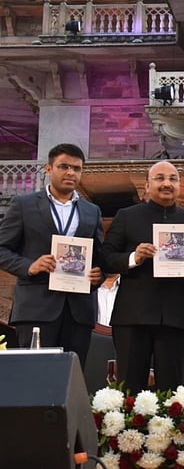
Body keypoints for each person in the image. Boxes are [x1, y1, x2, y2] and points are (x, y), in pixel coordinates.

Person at [101, 161, 184, 393]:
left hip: (176, 316)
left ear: (179, 185)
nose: (166, 183)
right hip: (133, 317)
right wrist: (134, 257)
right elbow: (106, 258)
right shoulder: (126, 217)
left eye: (173, 179)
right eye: (160, 178)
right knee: (129, 388)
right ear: (147, 185)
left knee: (171, 390)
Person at [0, 143, 104, 366]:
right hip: (37, 307)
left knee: (71, 378)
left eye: (76, 168)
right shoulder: (23, 205)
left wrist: (100, 275)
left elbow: (99, 256)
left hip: (78, 310)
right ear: (49, 169)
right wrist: (29, 266)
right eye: (64, 166)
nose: (70, 173)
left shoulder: (91, 211)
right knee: (34, 376)